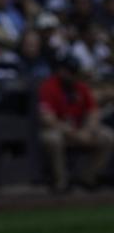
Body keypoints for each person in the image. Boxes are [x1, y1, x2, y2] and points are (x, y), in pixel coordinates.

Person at [39, 53, 114, 192]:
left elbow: (93, 111)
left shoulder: (81, 87)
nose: (72, 76)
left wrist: (88, 130)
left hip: (81, 129)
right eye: (69, 72)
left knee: (108, 137)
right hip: (60, 131)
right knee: (53, 139)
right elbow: (47, 119)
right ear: (61, 71)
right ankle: (61, 183)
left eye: (74, 72)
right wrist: (73, 133)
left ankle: (87, 178)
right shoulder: (49, 86)